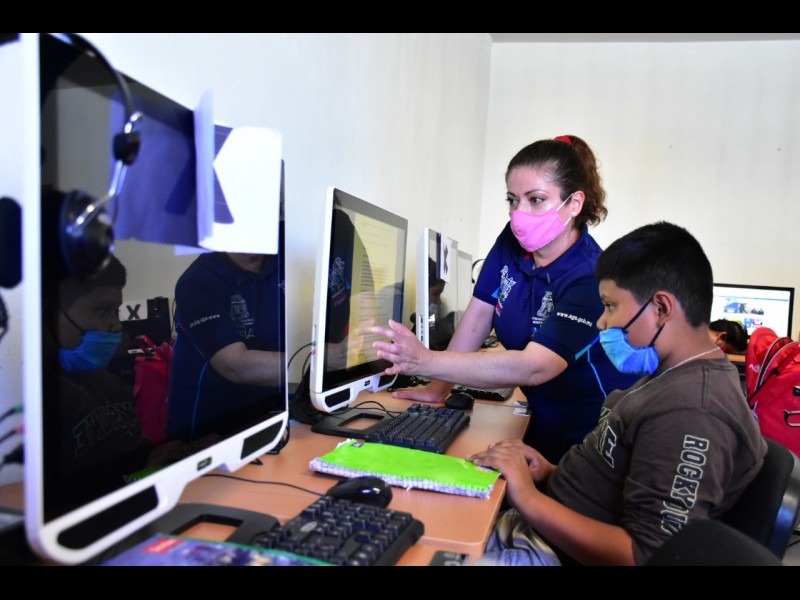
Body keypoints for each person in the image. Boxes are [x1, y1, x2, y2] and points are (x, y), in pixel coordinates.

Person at [467, 222, 768, 566]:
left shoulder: (693, 411)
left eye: (610, 306)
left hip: (551, 552)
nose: (601, 322)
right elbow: (614, 479)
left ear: (661, 308)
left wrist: (526, 496)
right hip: (541, 528)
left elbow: (644, 556)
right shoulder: (669, 373)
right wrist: (547, 471)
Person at [372, 135, 638, 463]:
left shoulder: (590, 277)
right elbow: (477, 318)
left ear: (574, 204)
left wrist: (425, 360)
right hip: (541, 418)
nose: (519, 214)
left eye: (536, 199)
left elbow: (535, 367)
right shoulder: (511, 240)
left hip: (589, 438)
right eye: (513, 200)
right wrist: (439, 387)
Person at [168, 251, 285, 442]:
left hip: (272, 413)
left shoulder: (282, 259)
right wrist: (320, 361)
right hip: (212, 428)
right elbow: (236, 366)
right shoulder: (197, 282)